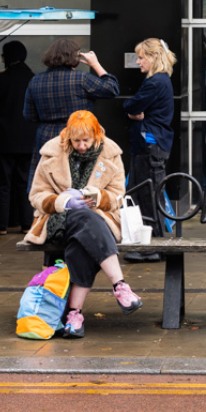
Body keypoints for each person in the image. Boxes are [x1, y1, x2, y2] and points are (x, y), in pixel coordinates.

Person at [22, 110, 143, 339]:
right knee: (83, 218)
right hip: (57, 221)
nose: (81, 146)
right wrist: (63, 201)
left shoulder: (111, 153)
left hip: (99, 222)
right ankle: (119, 286)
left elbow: (118, 195)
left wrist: (96, 196)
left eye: (86, 140)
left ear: (97, 135)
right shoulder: (51, 152)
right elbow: (36, 195)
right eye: (76, 141)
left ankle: (74, 315)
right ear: (67, 136)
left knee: (84, 231)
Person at [23, 38, 121, 167]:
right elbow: (112, 89)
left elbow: (29, 115)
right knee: (77, 180)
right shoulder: (82, 78)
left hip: (47, 136)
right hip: (78, 136)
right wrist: (95, 64)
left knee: (47, 180)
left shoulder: (35, 80)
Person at [122, 37, 177, 241]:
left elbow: (131, 106)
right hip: (151, 145)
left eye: (141, 57)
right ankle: (147, 243)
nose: (138, 62)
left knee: (147, 196)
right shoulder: (160, 80)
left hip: (149, 146)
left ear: (153, 57)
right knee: (142, 194)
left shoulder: (155, 82)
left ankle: (153, 245)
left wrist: (131, 109)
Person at [0, 41, 36, 236]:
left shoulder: (0, 80)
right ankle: (26, 224)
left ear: (7, 58)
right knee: (24, 183)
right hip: (28, 142)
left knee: (1, 184)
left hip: (4, 142)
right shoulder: (33, 79)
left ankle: (0, 226)